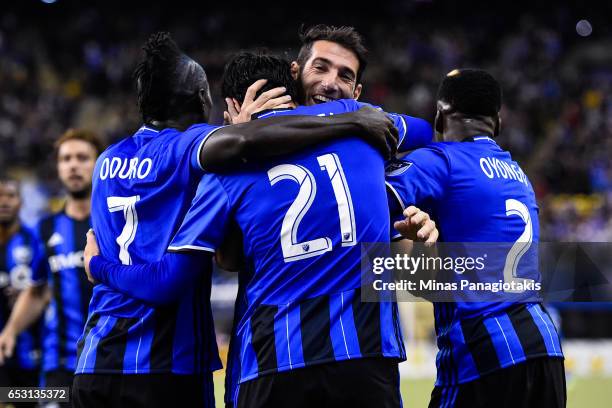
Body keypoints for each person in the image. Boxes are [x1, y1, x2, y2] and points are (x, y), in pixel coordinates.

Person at [84, 51, 438, 408]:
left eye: (344, 74)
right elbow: (429, 132)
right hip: (365, 350)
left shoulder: (221, 171)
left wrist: (97, 266)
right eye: (322, 67)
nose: (331, 83)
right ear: (295, 85)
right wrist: (395, 187)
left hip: (269, 358)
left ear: (232, 106)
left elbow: (228, 258)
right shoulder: (356, 120)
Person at [385, 69, 566, 407]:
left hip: (485, 352)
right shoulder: (517, 173)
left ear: (440, 115)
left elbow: (362, 206)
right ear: (497, 122)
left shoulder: (441, 160)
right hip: (546, 349)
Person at [0, 130, 101, 403]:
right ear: (58, 167)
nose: (73, 165)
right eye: (66, 159)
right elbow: (37, 291)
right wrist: (9, 331)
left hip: (108, 362)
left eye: (82, 158)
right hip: (59, 364)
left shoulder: (115, 224)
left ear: (99, 164)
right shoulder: (44, 229)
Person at [0, 177, 44, 407]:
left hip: (30, 351)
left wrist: (26, 295)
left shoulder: (35, 241)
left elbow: (47, 289)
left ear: (21, 201)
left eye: (10, 195)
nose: (4, 202)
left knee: (47, 398)